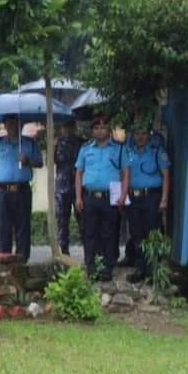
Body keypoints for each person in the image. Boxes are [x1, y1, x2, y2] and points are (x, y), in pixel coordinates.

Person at [0, 114, 43, 262]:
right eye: (9, 123)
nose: (12, 126)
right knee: (3, 227)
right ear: (4, 125)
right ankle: (5, 260)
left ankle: (22, 261)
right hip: (2, 191)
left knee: (23, 227)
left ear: (20, 125)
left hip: (22, 190)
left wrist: (27, 161)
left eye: (15, 123)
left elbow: (39, 163)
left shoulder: (29, 143)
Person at [74, 113, 125, 281]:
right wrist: (78, 197)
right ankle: (91, 267)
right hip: (89, 197)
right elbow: (79, 174)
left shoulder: (118, 149)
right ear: (92, 130)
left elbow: (125, 173)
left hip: (110, 197)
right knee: (89, 233)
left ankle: (107, 268)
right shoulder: (85, 149)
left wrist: (123, 195)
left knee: (108, 234)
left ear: (109, 129)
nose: (100, 130)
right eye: (96, 128)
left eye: (103, 127)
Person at [122, 122, 170, 283]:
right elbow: (125, 176)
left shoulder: (157, 152)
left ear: (148, 135)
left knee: (151, 233)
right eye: (137, 134)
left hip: (151, 197)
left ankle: (153, 270)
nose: (140, 137)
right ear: (133, 136)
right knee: (136, 234)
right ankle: (141, 269)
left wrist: (164, 199)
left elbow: (166, 176)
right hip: (133, 198)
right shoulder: (129, 152)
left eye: (143, 133)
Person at [54, 120, 84, 255]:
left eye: (70, 126)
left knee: (83, 222)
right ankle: (64, 254)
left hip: (79, 187)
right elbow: (51, 162)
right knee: (62, 222)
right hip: (62, 187)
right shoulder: (57, 143)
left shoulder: (82, 143)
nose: (68, 129)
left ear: (75, 127)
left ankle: (89, 254)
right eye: (65, 126)